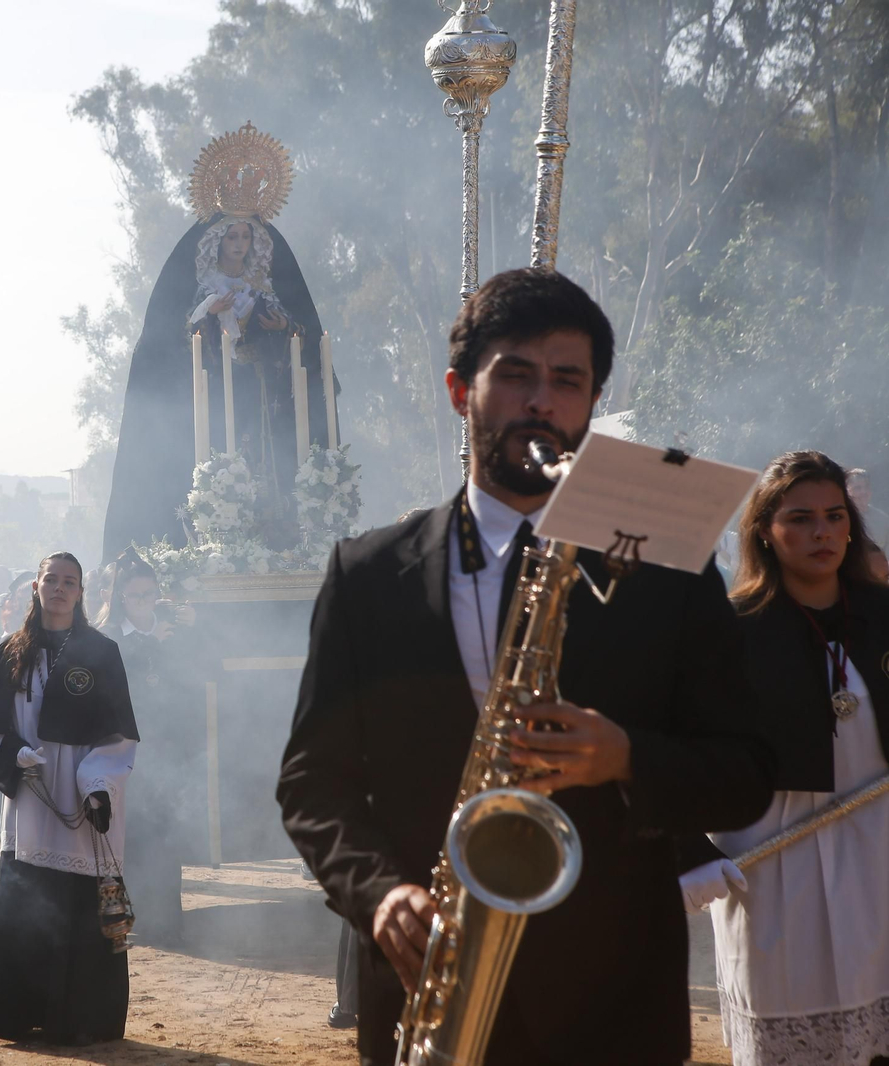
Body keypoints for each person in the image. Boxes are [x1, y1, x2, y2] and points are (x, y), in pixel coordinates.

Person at [276, 268, 776, 1066]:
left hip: (612, 1004)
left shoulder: (670, 570)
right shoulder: (366, 576)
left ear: (591, 403)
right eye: (514, 374)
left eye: (567, 381)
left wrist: (624, 756)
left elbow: (749, 769)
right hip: (430, 982)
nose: (541, 401)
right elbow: (312, 782)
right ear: (457, 391)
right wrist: (379, 895)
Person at [678, 451, 889, 1066]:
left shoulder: (882, 615)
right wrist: (689, 853)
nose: (821, 532)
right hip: (771, 865)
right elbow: (682, 747)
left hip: (881, 850)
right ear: (764, 530)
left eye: (833, 516)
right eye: (800, 518)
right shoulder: (730, 630)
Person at [102, 124, 335, 558]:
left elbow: (298, 333)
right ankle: (209, 541)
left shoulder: (264, 284)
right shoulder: (201, 283)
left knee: (263, 462)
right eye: (232, 236)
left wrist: (277, 330)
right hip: (211, 395)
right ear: (217, 239)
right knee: (218, 462)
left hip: (260, 391)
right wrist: (207, 317)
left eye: (246, 236)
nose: (239, 244)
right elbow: (173, 343)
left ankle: (275, 542)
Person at [0, 552, 140, 1045]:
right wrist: (14, 755)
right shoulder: (11, 651)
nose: (60, 589)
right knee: (30, 903)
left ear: (82, 593)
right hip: (31, 797)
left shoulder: (102, 652)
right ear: (35, 588)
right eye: (51, 580)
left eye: (70, 582)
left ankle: (83, 1020)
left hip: (84, 797)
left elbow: (120, 736)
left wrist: (98, 785)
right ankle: (26, 1015)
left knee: (82, 907)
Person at [95, 547, 202, 945]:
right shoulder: (108, 637)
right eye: (136, 596)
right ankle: (128, 916)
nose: (145, 603)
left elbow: (206, 670)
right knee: (128, 834)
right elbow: (110, 682)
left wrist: (195, 628)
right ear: (120, 598)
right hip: (123, 746)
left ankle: (166, 919)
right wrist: (149, 643)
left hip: (170, 746)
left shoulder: (173, 626)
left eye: (151, 594)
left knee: (166, 831)